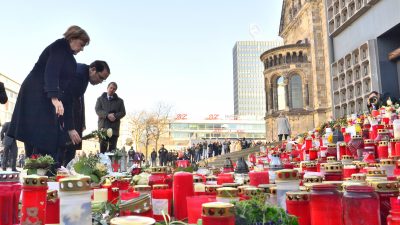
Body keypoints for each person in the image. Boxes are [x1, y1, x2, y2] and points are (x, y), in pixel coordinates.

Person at [7, 25, 90, 163]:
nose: (82, 49)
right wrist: (55, 98)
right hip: (36, 93)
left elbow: (68, 95)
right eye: (81, 44)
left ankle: (41, 168)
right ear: (72, 38)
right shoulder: (59, 47)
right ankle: (36, 168)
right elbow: (51, 71)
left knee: (47, 137)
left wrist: (70, 127)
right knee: (39, 135)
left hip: (47, 96)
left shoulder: (71, 60)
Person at [60, 60, 110, 166]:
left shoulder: (83, 75)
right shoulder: (78, 75)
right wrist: (71, 128)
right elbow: (68, 102)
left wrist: (81, 123)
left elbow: (79, 103)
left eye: (103, 80)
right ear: (93, 69)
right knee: (60, 157)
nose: (100, 82)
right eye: (100, 77)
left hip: (69, 118)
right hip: (60, 118)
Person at [95, 82, 126, 153]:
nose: (112, 90)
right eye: (111, 88)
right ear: (107, 88)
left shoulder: (120, 101)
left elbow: (123, 112)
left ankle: (112, 164)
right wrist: (107, 115)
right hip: (103, 129)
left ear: (115, 90)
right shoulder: (100, 99)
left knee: (113, 151)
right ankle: (102, 164)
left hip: (114, 129)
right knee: (102, 151)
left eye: (114, 89)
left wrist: (115, 116)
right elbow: (98, 110)